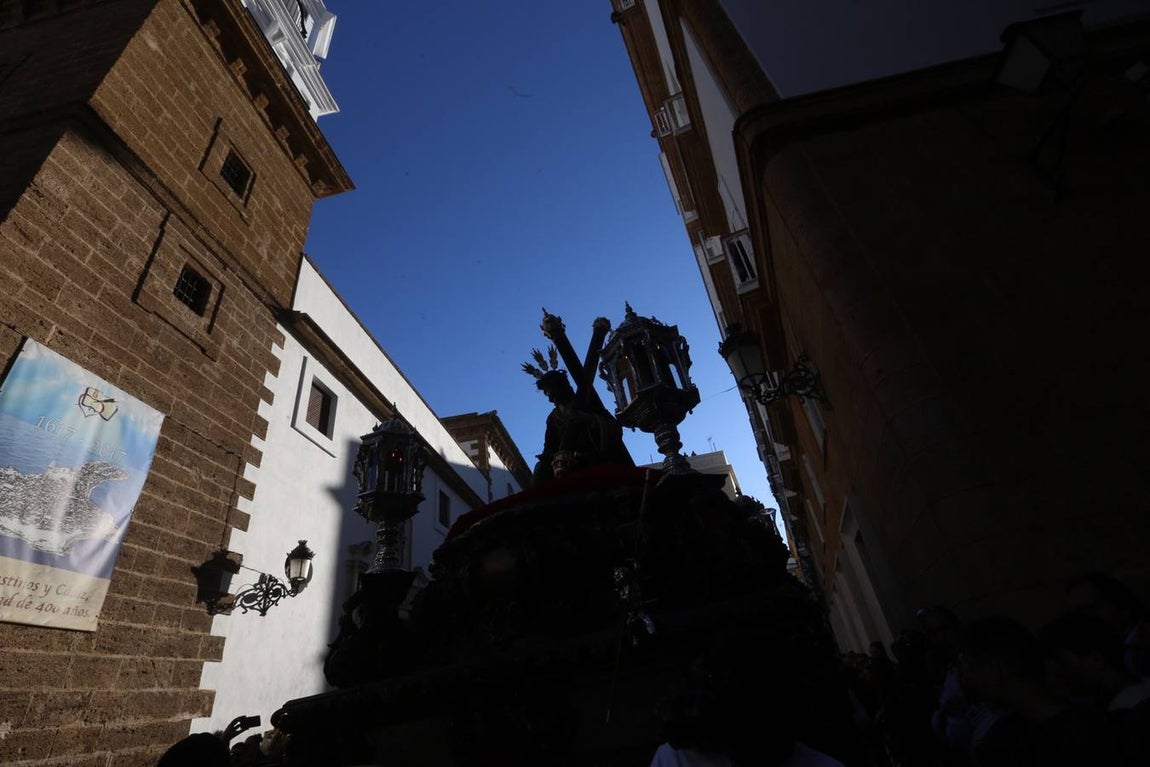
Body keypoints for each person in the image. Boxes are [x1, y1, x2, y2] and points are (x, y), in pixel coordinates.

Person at [960, 616, 1119, 767]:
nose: (965, 676)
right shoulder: (1097, 724)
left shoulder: (1004, 746)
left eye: (969, 665)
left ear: (995, 668)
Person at [1065, 571, 1150, 677]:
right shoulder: (1106, 649)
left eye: (1090, 609)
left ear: (1119, 603)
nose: (1082, 619)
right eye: (1077, 613)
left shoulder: (1143, 642)